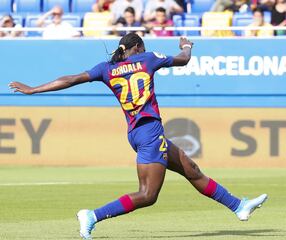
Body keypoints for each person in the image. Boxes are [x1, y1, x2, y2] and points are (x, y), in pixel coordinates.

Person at [9, 33, 268, 240]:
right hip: (149, 131)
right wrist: (188, 45)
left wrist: (34, 90)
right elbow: (184, 59)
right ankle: (92, 215)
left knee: (191, 168)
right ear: (137, 47)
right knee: (147, 194)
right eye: (142, 47)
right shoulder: (148, 59)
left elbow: (71, 79)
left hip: (137, 132)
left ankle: (238, 206)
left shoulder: (106, 68)